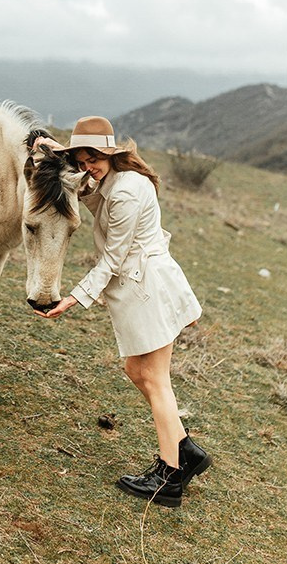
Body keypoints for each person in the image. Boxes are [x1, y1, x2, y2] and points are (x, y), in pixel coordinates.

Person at [33, 116, 211, 508]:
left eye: (92, 158)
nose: (87, 168)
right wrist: (51, 149)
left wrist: (73, 298)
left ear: (109, 153)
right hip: (140, 284)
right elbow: (94, 197)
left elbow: (113, 255)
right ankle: (185, 451)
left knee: (156, 378)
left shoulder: (128, 191)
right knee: (138, 371)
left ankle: (169, 477)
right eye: (81, 161)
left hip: (144, 285)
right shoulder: (116, 181)